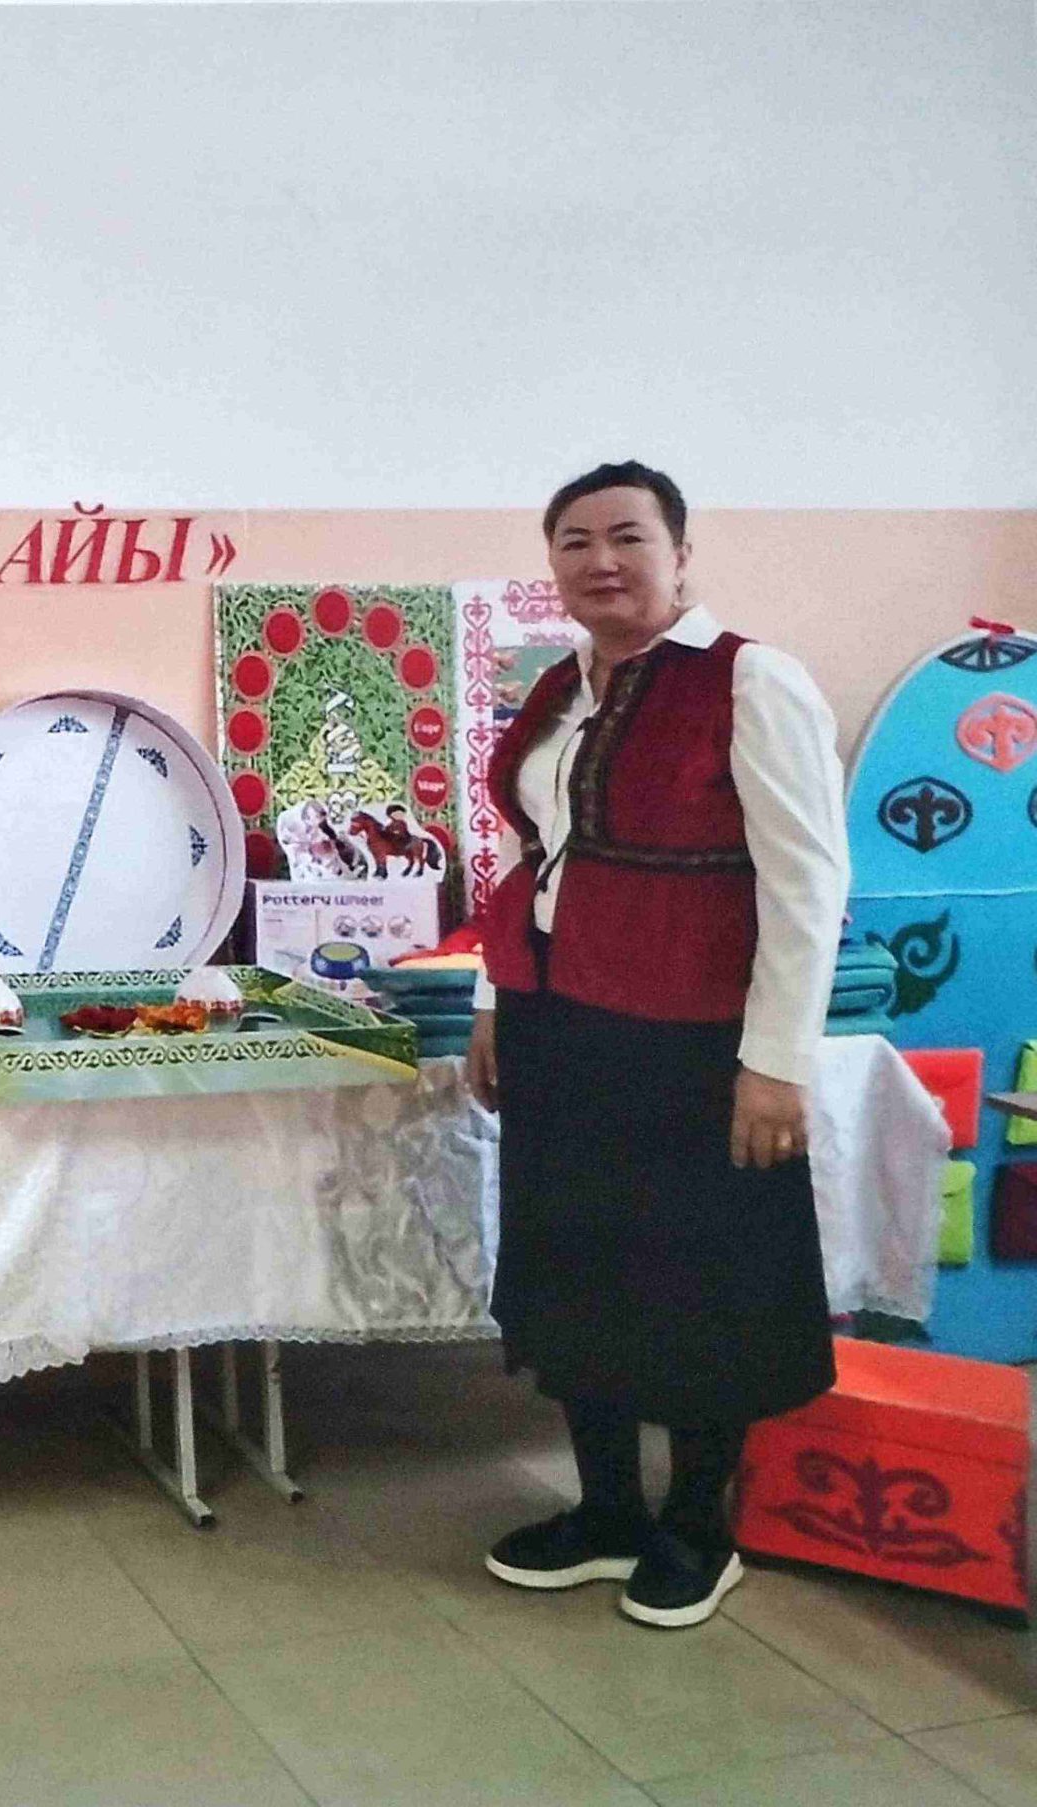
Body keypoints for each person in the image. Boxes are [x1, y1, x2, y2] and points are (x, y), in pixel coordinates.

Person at [465, 461, 848, 1628]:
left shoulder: (750, 680)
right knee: (578, 1267)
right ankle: (605, 1512)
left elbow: (806, 882)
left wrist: (775, 1059)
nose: (600, 561)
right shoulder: (559, 688)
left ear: (680, 554)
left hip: (691, 1041)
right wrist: (494, 998)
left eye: (627, 536)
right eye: (573, 541)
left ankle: (696, 1527)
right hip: (560, 1026)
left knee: (695, 1283)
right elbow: (532, 858)